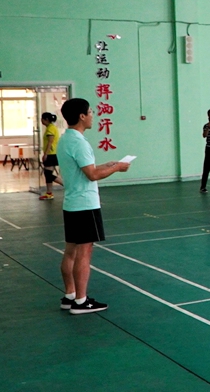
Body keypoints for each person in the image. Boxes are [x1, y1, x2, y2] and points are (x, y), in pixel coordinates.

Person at [57, 98, 131, 314]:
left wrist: (106, 165)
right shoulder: (79, 143)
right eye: (90, 112)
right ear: (82, 116)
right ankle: (81, 301)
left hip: (72, 203)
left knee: (71, 250)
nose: (92, 115)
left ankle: (70, 295)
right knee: (84, 251)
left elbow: (84, 169)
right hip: (84, 205)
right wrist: (117, 168)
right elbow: (92, 175)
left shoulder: (66, 139)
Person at [39, 112, 64, 200]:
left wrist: (45, 154)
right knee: (47, 174)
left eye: (42, 119)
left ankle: (66, 185)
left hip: (51, 154)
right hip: (52, 153)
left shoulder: (51, 128)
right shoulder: (51, 128)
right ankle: (49, 193)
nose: (41, 120)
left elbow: (50, 142)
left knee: (48, 174)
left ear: (46, 119)